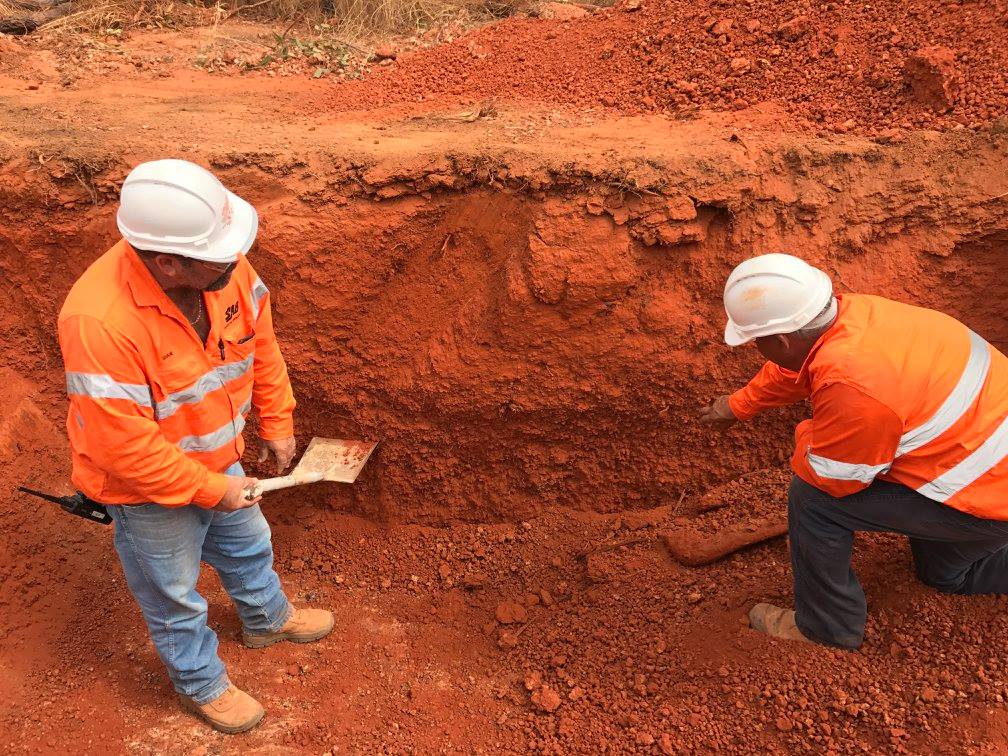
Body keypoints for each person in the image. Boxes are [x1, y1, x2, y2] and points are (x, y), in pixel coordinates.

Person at [58, 159, 334, 733]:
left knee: (249, 545)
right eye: (220, 254)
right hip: (145, 492)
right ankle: (200, 684)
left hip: (220, 462)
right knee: (174, 594)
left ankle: (265, 620)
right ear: (166, 261)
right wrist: (212, 490)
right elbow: (123, 447)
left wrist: (276, 421)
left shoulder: (221, 266)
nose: (235, 259)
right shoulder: (99, 321)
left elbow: (262, 344)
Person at [700, 253, 1008, 650]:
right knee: (945, 574)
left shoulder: (856, 384)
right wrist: (739, 404)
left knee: (813, 502)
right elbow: (799, 365)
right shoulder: (855, 313)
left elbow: (836, 479)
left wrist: (807, 435)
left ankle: (828, 628)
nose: (755, 347)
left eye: (756, 341)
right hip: (986, 461)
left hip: (989, 495)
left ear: (780, 340)